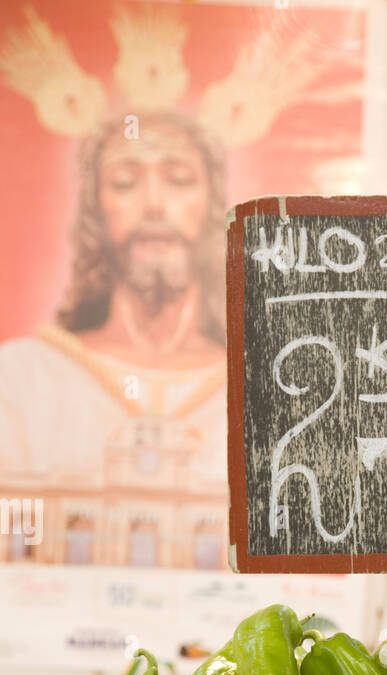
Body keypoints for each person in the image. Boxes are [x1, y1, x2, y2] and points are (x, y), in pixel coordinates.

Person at [0, 112, 228, 567]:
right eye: (125, 183)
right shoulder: (22, 379)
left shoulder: (264, 385)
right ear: (94, 211)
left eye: (179, 180)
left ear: (213, 205)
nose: (155, 205)